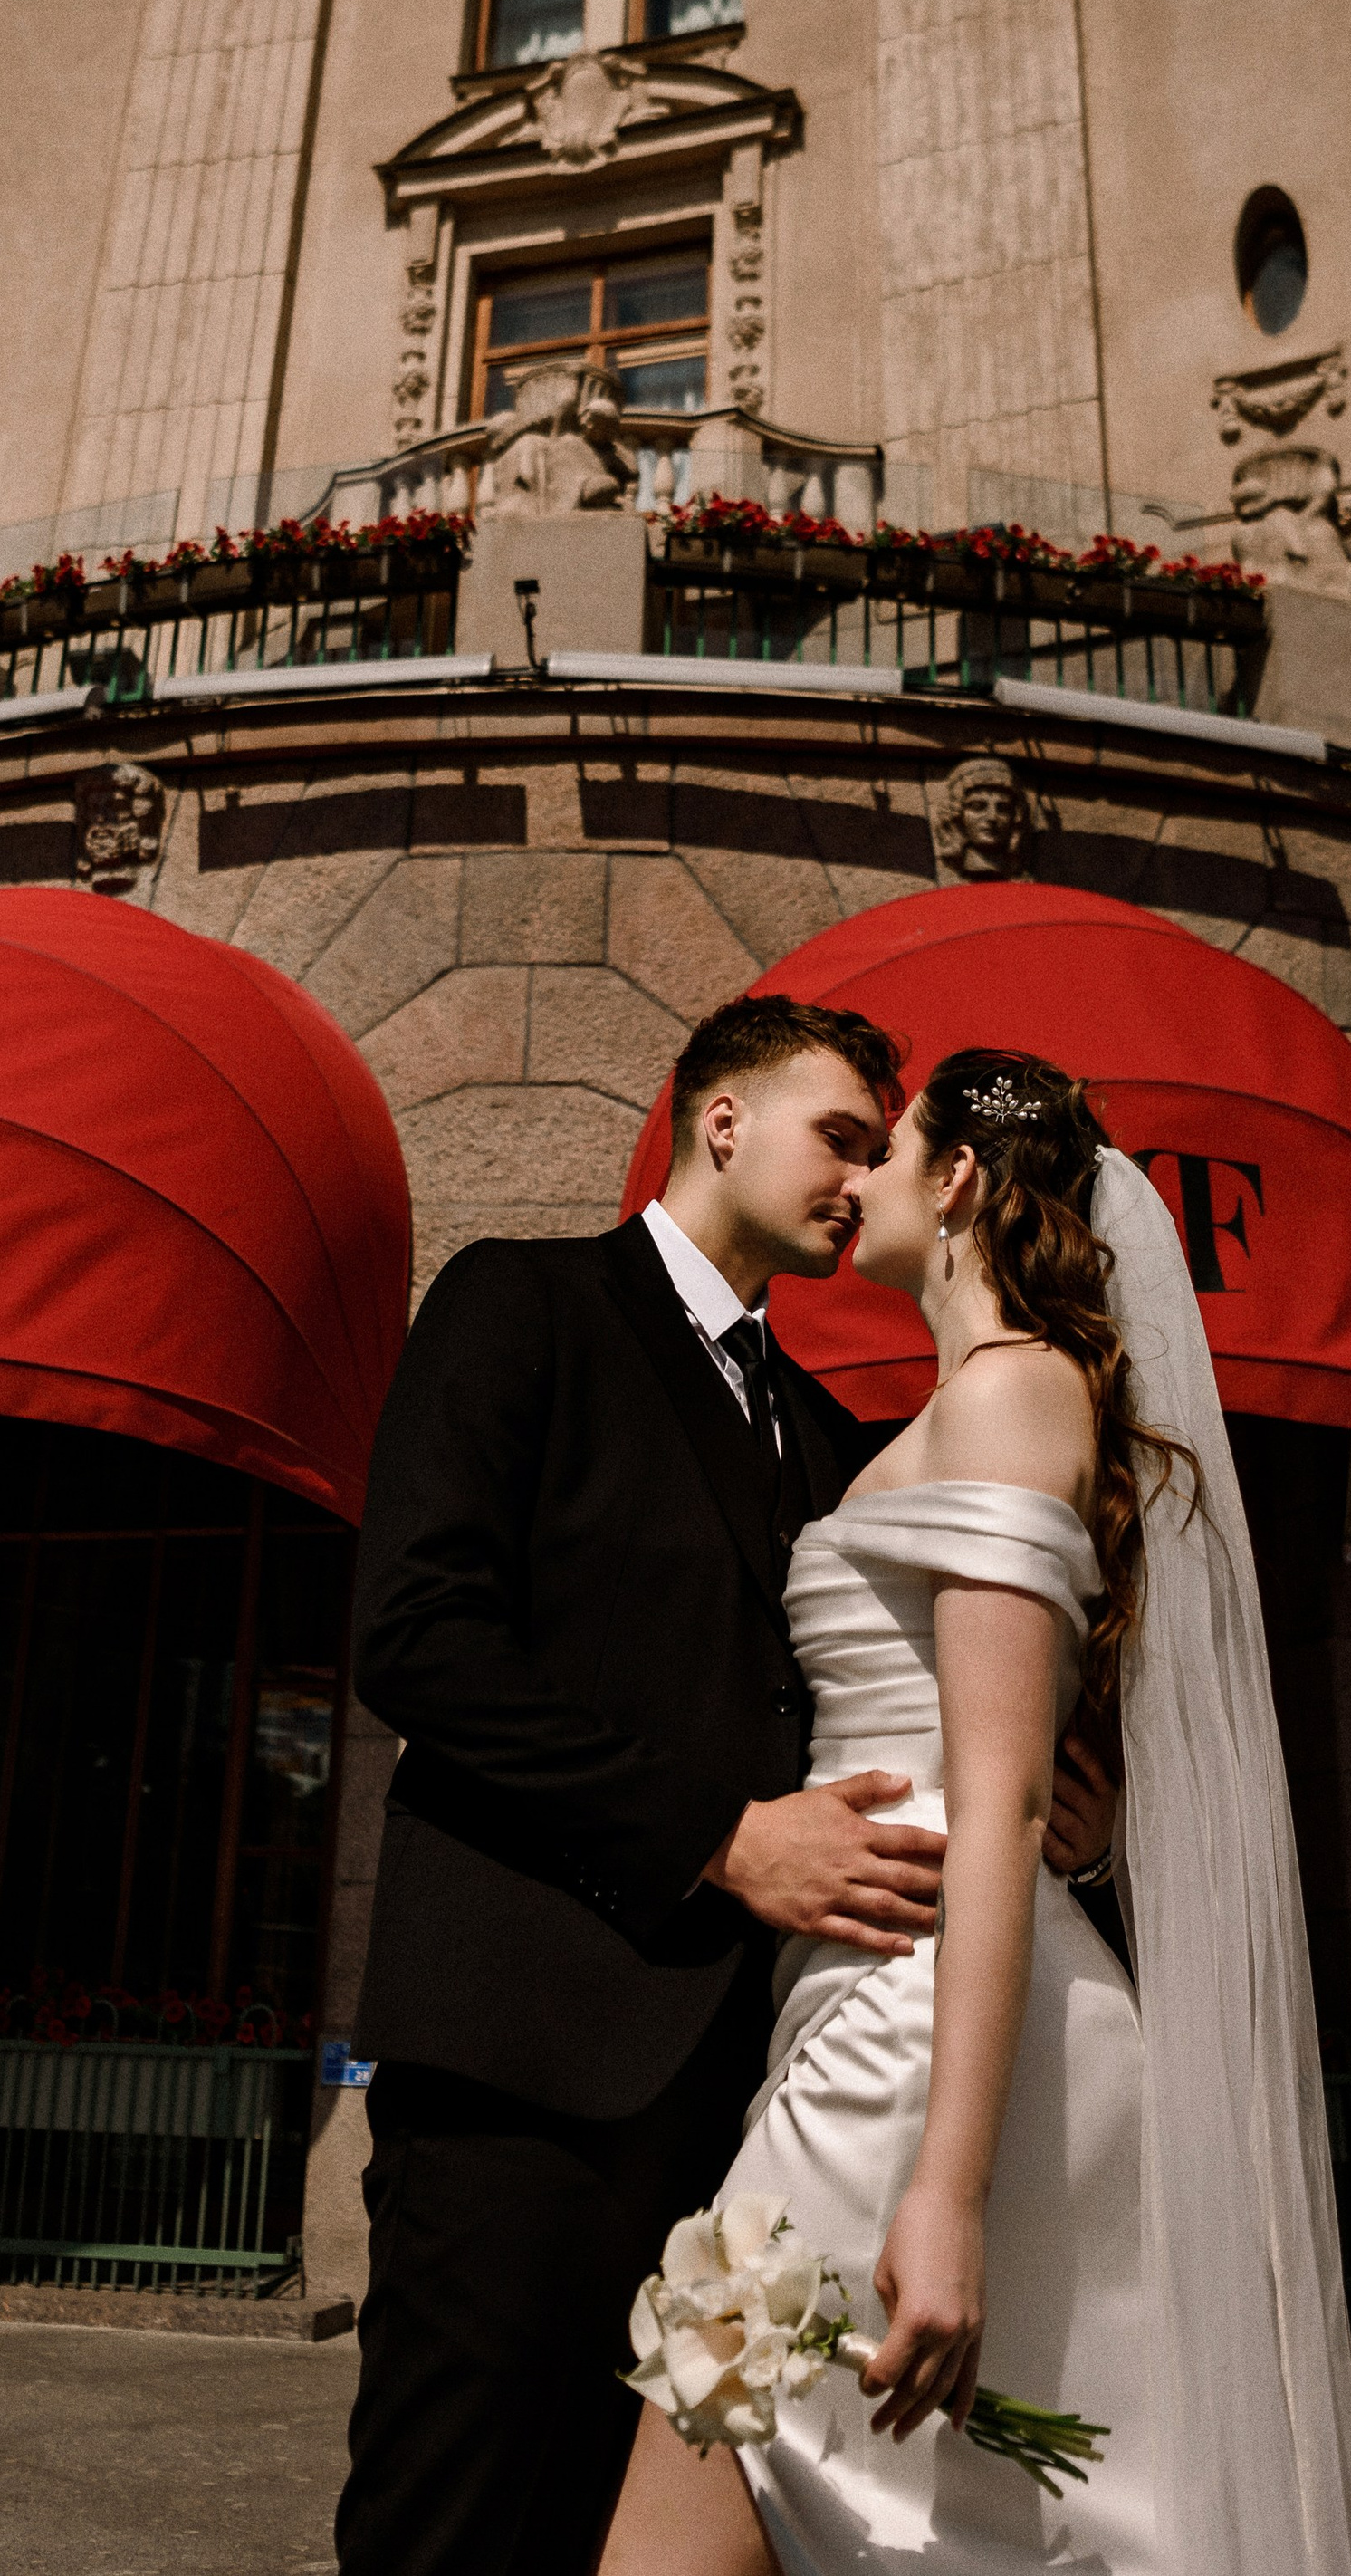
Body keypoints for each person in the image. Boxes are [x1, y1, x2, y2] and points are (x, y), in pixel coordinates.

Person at [599, 1049, 1351, 2576]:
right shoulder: (963, 1407)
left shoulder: (1016, 1390)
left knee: (686, 2503)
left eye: (887, 1150)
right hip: (885, 1997)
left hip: (920, 2033)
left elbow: (1002, 1790)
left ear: (960, 1180)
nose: (856, 1184)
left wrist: (949, 2194)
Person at [337, 997, 1119, 2576]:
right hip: (523, 2059)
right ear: (719, 1122)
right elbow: (416, 1639)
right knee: (455, 2520)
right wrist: (716, 1837)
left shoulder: (837, 1438)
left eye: (875, 1150)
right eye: (838, 1133)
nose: (858, 1174)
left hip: (757, 2100)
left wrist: (1050, 1807)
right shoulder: (523, 1304)